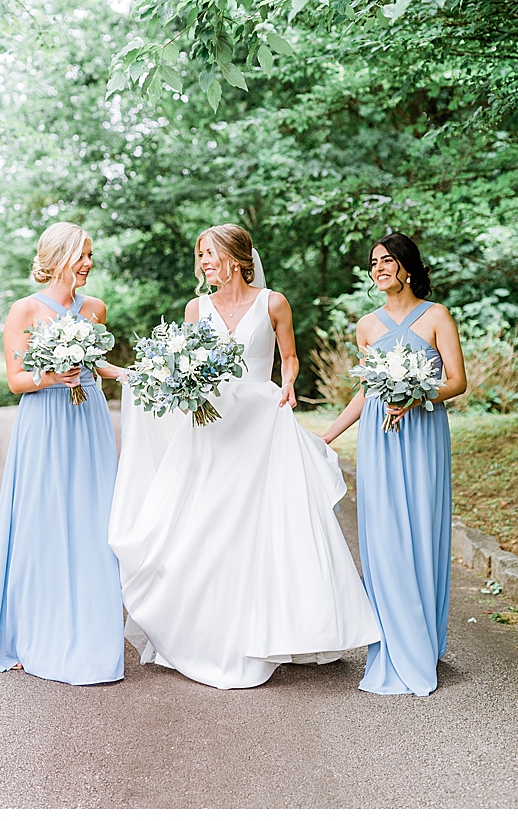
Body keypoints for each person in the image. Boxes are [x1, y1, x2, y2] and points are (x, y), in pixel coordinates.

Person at [108, 224, 380, 689]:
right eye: (200, 256)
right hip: (210, 425)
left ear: (236, 256)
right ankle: (206, 633)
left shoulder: (273, 302)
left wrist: (290, 380)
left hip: (260, 420)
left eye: (210, 254)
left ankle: (271, 629)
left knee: (261, 527)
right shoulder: (197, 308)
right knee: (205, 525)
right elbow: (180, 364)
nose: (204, 263)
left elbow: (289, 357)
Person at [0, 222, 126, 685]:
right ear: (60, 257)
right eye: (83, 255)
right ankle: (31, 631)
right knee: (43, 521)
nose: (89, 263)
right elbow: (17, 381)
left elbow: (97, 364)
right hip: (44, 423)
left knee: (96, 520)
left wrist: (143, 375)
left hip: (89, 420)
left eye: (91, 255)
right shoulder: (24, 311)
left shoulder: (95, 308)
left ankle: (96, 629)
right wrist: (52, 377)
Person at [322, 233, 467, 695]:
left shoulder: (437, 316)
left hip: (423, 435)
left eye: (387, 260)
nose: (379, 268)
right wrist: (325, 436)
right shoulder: (367, 325)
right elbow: (365, 391)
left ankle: (422, 643)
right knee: (384, 538)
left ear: (406, 267)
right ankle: (391, 643)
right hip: (379, 440)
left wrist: (417, 394)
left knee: (422, 534)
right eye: (373, 263)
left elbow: (457, 382)